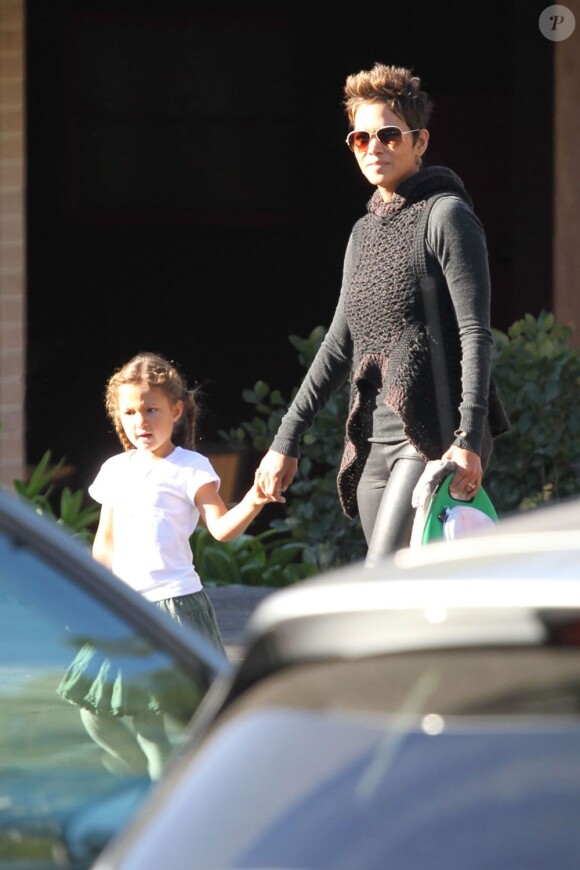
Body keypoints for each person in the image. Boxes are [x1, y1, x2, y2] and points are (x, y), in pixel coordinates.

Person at [256, 63, 509, 565]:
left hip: (432, 437)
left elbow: (475, 333)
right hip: (373, 442)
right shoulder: (363, 232)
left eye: (389, 135)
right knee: (401, 590)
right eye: (360, 138)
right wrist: (287, 438)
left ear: (420, 142)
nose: (374, 148)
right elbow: (338, 342)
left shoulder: (446, 216)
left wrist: (467, 439)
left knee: (381, 575)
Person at [58, 351, 280, 778]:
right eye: (130, 412)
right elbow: (105, 541)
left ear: (176, 411)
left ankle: (160, 801)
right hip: (122, 610)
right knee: (96, 715)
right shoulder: (116, 469)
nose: (140, 421)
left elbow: (220, 529)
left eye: (151, 409)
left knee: (151, 724)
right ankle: (138, 783)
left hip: (172, 608)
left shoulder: (190, 468)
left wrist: (254, 498)